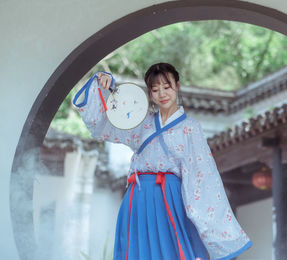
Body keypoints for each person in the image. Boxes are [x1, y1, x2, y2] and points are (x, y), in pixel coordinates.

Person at [73, 63, 252, 260]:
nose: (162, 94)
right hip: (138, 197)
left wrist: (206, 223)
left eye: (167, 87)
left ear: (177, 86)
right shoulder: (141, 122)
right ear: (149, 94)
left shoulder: (190, 127)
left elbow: (201, 177)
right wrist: (104, 87)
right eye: (155, 89)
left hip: (170, 198)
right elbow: (106, 124)